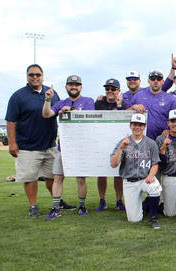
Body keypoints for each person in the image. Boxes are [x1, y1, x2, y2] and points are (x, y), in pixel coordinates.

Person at [5, 64, 75, 217]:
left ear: (42, 76)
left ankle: (57, 201)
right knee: (30, 178)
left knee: (53, 176)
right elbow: (10, 121)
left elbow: (59, 110)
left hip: (49, 145)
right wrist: (12, 143)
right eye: (31, 75)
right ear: (27, 76)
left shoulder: (52, 93)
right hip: (27, 146)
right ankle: (33, 206)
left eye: (38, 74)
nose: (35, 77)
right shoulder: (18, 96)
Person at [42, 75, 95, 219]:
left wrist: (71, 110)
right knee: (58, 177)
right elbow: (46, 114)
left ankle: (82, 206)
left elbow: (89, 117)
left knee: (81, 178)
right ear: (66, 87)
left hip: (80, 147)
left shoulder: (88, 101)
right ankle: (55, 208)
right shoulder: (60, 103)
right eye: (71, 84)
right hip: (63, 147)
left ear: (81, 87)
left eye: (76, 84)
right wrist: (47, 99)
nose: (73, 87)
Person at [110, 113, 162, 229]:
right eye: (135, 124)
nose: (137, 127)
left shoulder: (151, 143)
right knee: (134, 219)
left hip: (145, 179)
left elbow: (155, 163)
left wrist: (151, 175)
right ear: (130, 125)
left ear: (144, 126)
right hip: (129, 182)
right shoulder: (123, 142)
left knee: (155, 188)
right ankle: (144, 206)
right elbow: (113, 164)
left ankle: (153, 217)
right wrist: (121, 148)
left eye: (140, 124)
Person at [94, 78, 126, 212]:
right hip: (101, 141)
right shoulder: (99, 103)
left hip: (118, 142)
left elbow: (123, 120)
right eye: (107, 89)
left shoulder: (124, 103)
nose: (110, 91)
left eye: (113, 89)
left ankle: (119, 200)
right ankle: (102, 200)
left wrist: (119, 106)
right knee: (101, 173)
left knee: (118, 173)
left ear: (118, 91)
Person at [127, 69, 176, 140]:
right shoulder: (138, 96)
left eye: (159, 79)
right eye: (153, 79)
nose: (155, 81)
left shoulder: (171, 99)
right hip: (142, 140)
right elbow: (125, 113)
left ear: (162, 81)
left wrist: (170, 130)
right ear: (148, 81)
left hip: (162, 139)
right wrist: (133, 107)